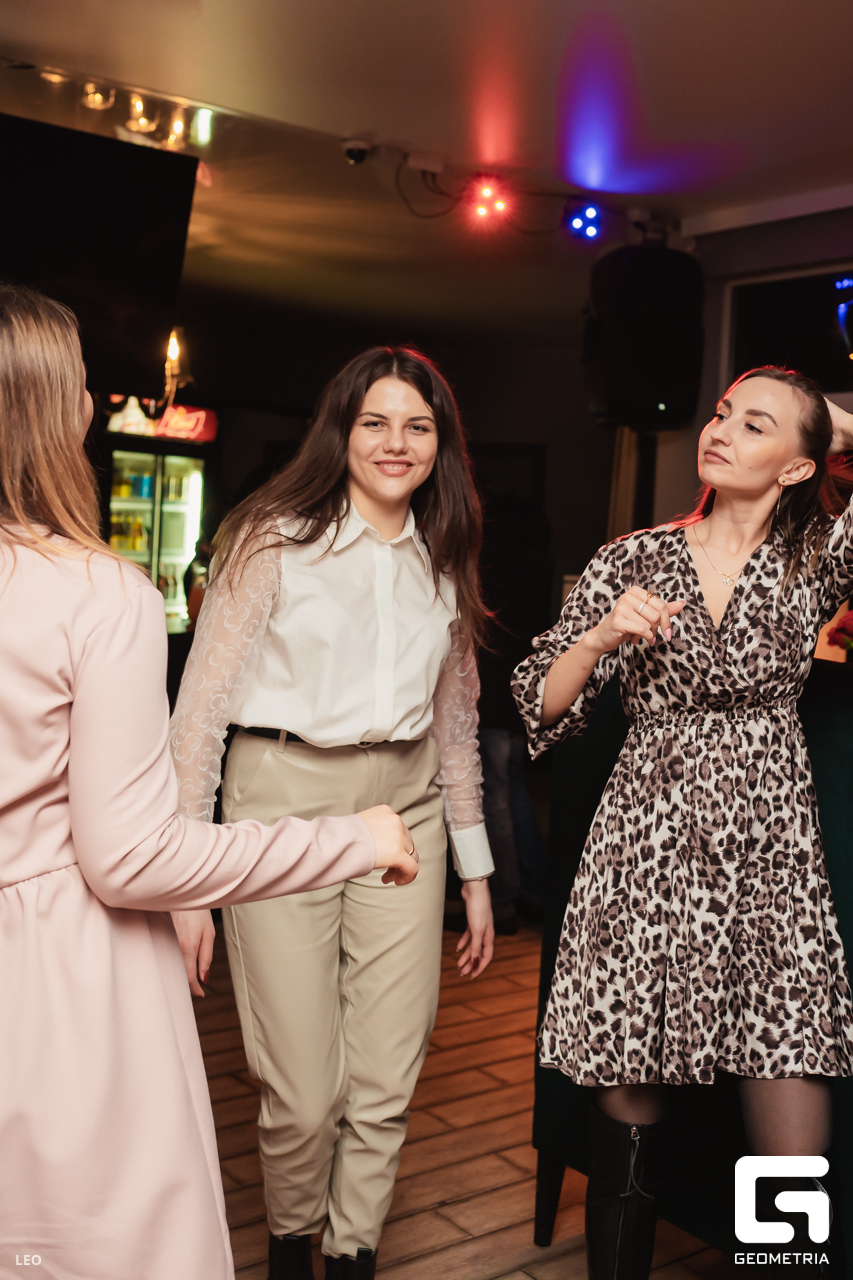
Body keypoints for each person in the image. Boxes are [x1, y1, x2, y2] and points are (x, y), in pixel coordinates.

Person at [0, 284, 419, 1280]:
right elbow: (130, 856)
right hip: (57, 978)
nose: (95, 403)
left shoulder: (437, 551)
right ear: (51, 411)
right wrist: (355, 835)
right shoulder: (101, 592)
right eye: (83, 384)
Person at [512, 367, 853, 1278]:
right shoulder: (632, 557)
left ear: (797, 467)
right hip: (646, 844)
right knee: (629, 1083)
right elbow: (539, 704)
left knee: (788, 1071)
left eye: (754, 425)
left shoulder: (817, 556)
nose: (720, 430)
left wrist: (832, 424)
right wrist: (598, 637)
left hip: (770, 852)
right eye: (721, 413)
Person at [170, 346, 496, 1279]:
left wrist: (474, 871)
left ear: (440, 445)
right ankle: (289, 1248)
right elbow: (199, 716)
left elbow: (455, 722)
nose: (396, 443)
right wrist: (189, 879)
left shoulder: (444, 550)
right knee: (304, 1091)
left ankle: (351, 1255)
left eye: (418, 426)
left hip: (408, 807)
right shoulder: (271, 537)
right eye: (375, 422)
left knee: (386, 1076)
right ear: (340, 432)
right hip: (280, 800)